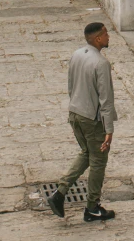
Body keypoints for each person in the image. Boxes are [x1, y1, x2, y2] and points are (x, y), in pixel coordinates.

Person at [47, 22, 117, 223]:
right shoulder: (101, 63)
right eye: (105, 34)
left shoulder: (77, 54)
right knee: (98, 161)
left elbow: (70, 85)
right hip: (91, 119)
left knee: (87, 153)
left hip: (75, 113)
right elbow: (105, 99)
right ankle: (92, 207)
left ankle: (60, 192)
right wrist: (109, 130)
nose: (108, 37)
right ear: (97, 39)